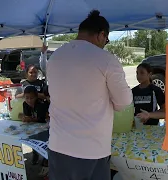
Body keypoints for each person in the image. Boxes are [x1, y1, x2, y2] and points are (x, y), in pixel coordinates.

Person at [46, 10, 132, 180]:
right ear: (101, 35)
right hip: (91, 149)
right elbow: (124, 102)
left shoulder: (55, 57)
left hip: (57, 145)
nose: (104, 44)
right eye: (106, 40)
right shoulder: (106, 60)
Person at [22, 85, 49, 177]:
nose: (29, 100)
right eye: (27, 98)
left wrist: (30, 119)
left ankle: (46, 161)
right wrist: (27, 118)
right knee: (33, 140)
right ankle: (35, 153)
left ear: (36, 97)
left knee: (45, 143)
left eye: (31, 98)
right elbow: (27, 116)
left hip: (45, 127)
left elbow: (41, 119)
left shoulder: (41, 105)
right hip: (33, 127)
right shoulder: (25, 104)